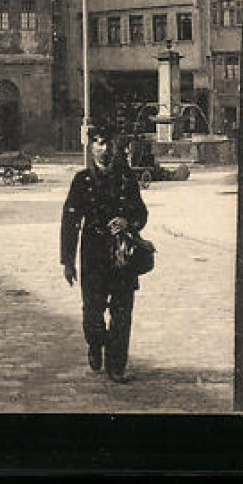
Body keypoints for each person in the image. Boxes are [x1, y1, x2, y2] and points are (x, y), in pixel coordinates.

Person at [60, 128, 148, 382]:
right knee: (93, 312)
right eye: (98, 143)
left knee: (122, 312)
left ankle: (116, 365)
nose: (104, 149)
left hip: (122, 254)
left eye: (107, 143)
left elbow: (142, 213)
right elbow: (70, 221)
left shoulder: (126, 179)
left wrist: (127, 220)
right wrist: (67, 261)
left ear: (115, 145)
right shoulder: (82, 180)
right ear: (91, 148)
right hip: (94, 256)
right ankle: (96, 343)